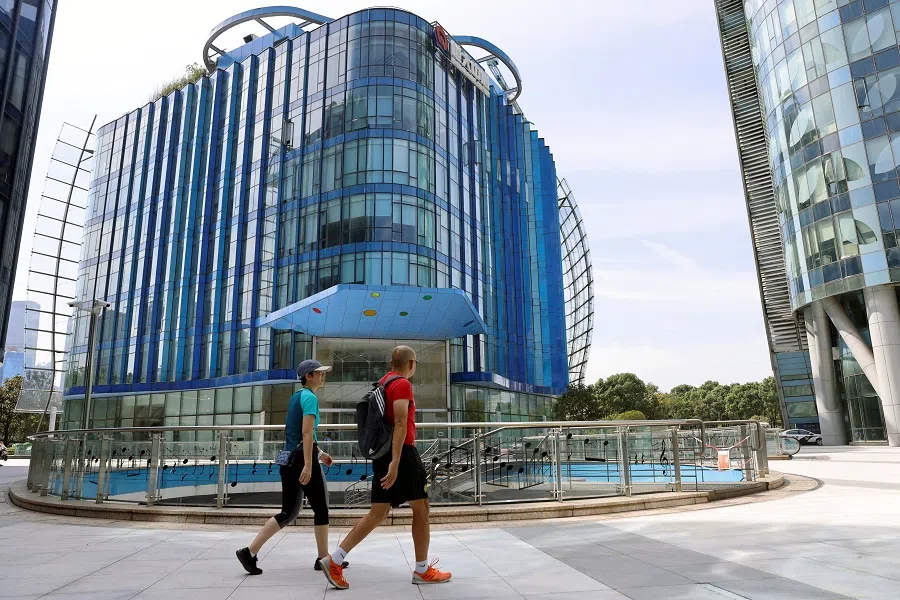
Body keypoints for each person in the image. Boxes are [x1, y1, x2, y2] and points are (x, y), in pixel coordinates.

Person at [319, 345, 451, 589]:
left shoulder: (383, 383)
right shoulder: (402, 384)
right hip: (401, 454)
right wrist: (396, 462)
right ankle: (422, 570)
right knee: (421, 508)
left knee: (377, 513)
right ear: (411, 364)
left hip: (383, 454)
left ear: (391, 363)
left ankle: (334, 560)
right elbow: (400, 423)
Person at [236, 360, 348, 574]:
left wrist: (320, 454)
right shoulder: (310, 398)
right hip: (302, 461)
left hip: (289, 460)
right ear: (308, 376)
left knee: (288, 512)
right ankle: (323, 559)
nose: (323, 375)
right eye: (319, 372)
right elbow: (306, 433)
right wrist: (309, 464)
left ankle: (249, 552)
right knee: (321, 508)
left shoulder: (296, 397)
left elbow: (297, 434)